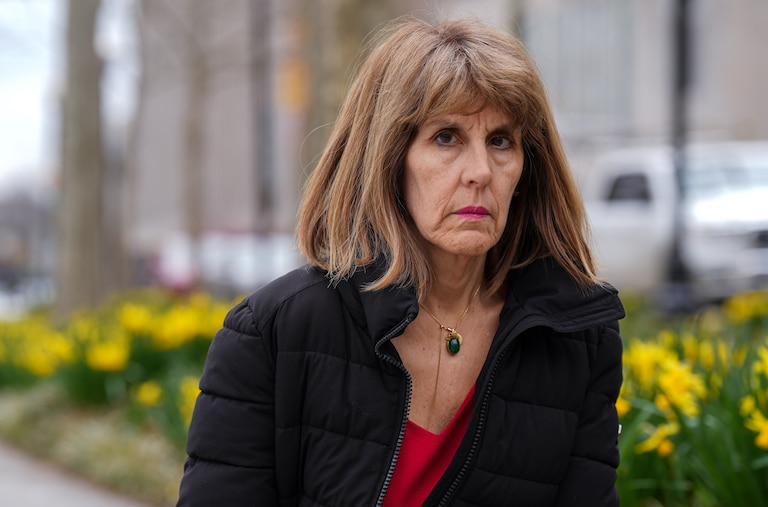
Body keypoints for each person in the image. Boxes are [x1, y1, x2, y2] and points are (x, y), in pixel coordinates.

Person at [177, 16, 624, 507]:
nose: (480, 172)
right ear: (389, 156)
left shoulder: (577, 342)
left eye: (500, 141)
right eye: (446, 138)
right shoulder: (274, 333)